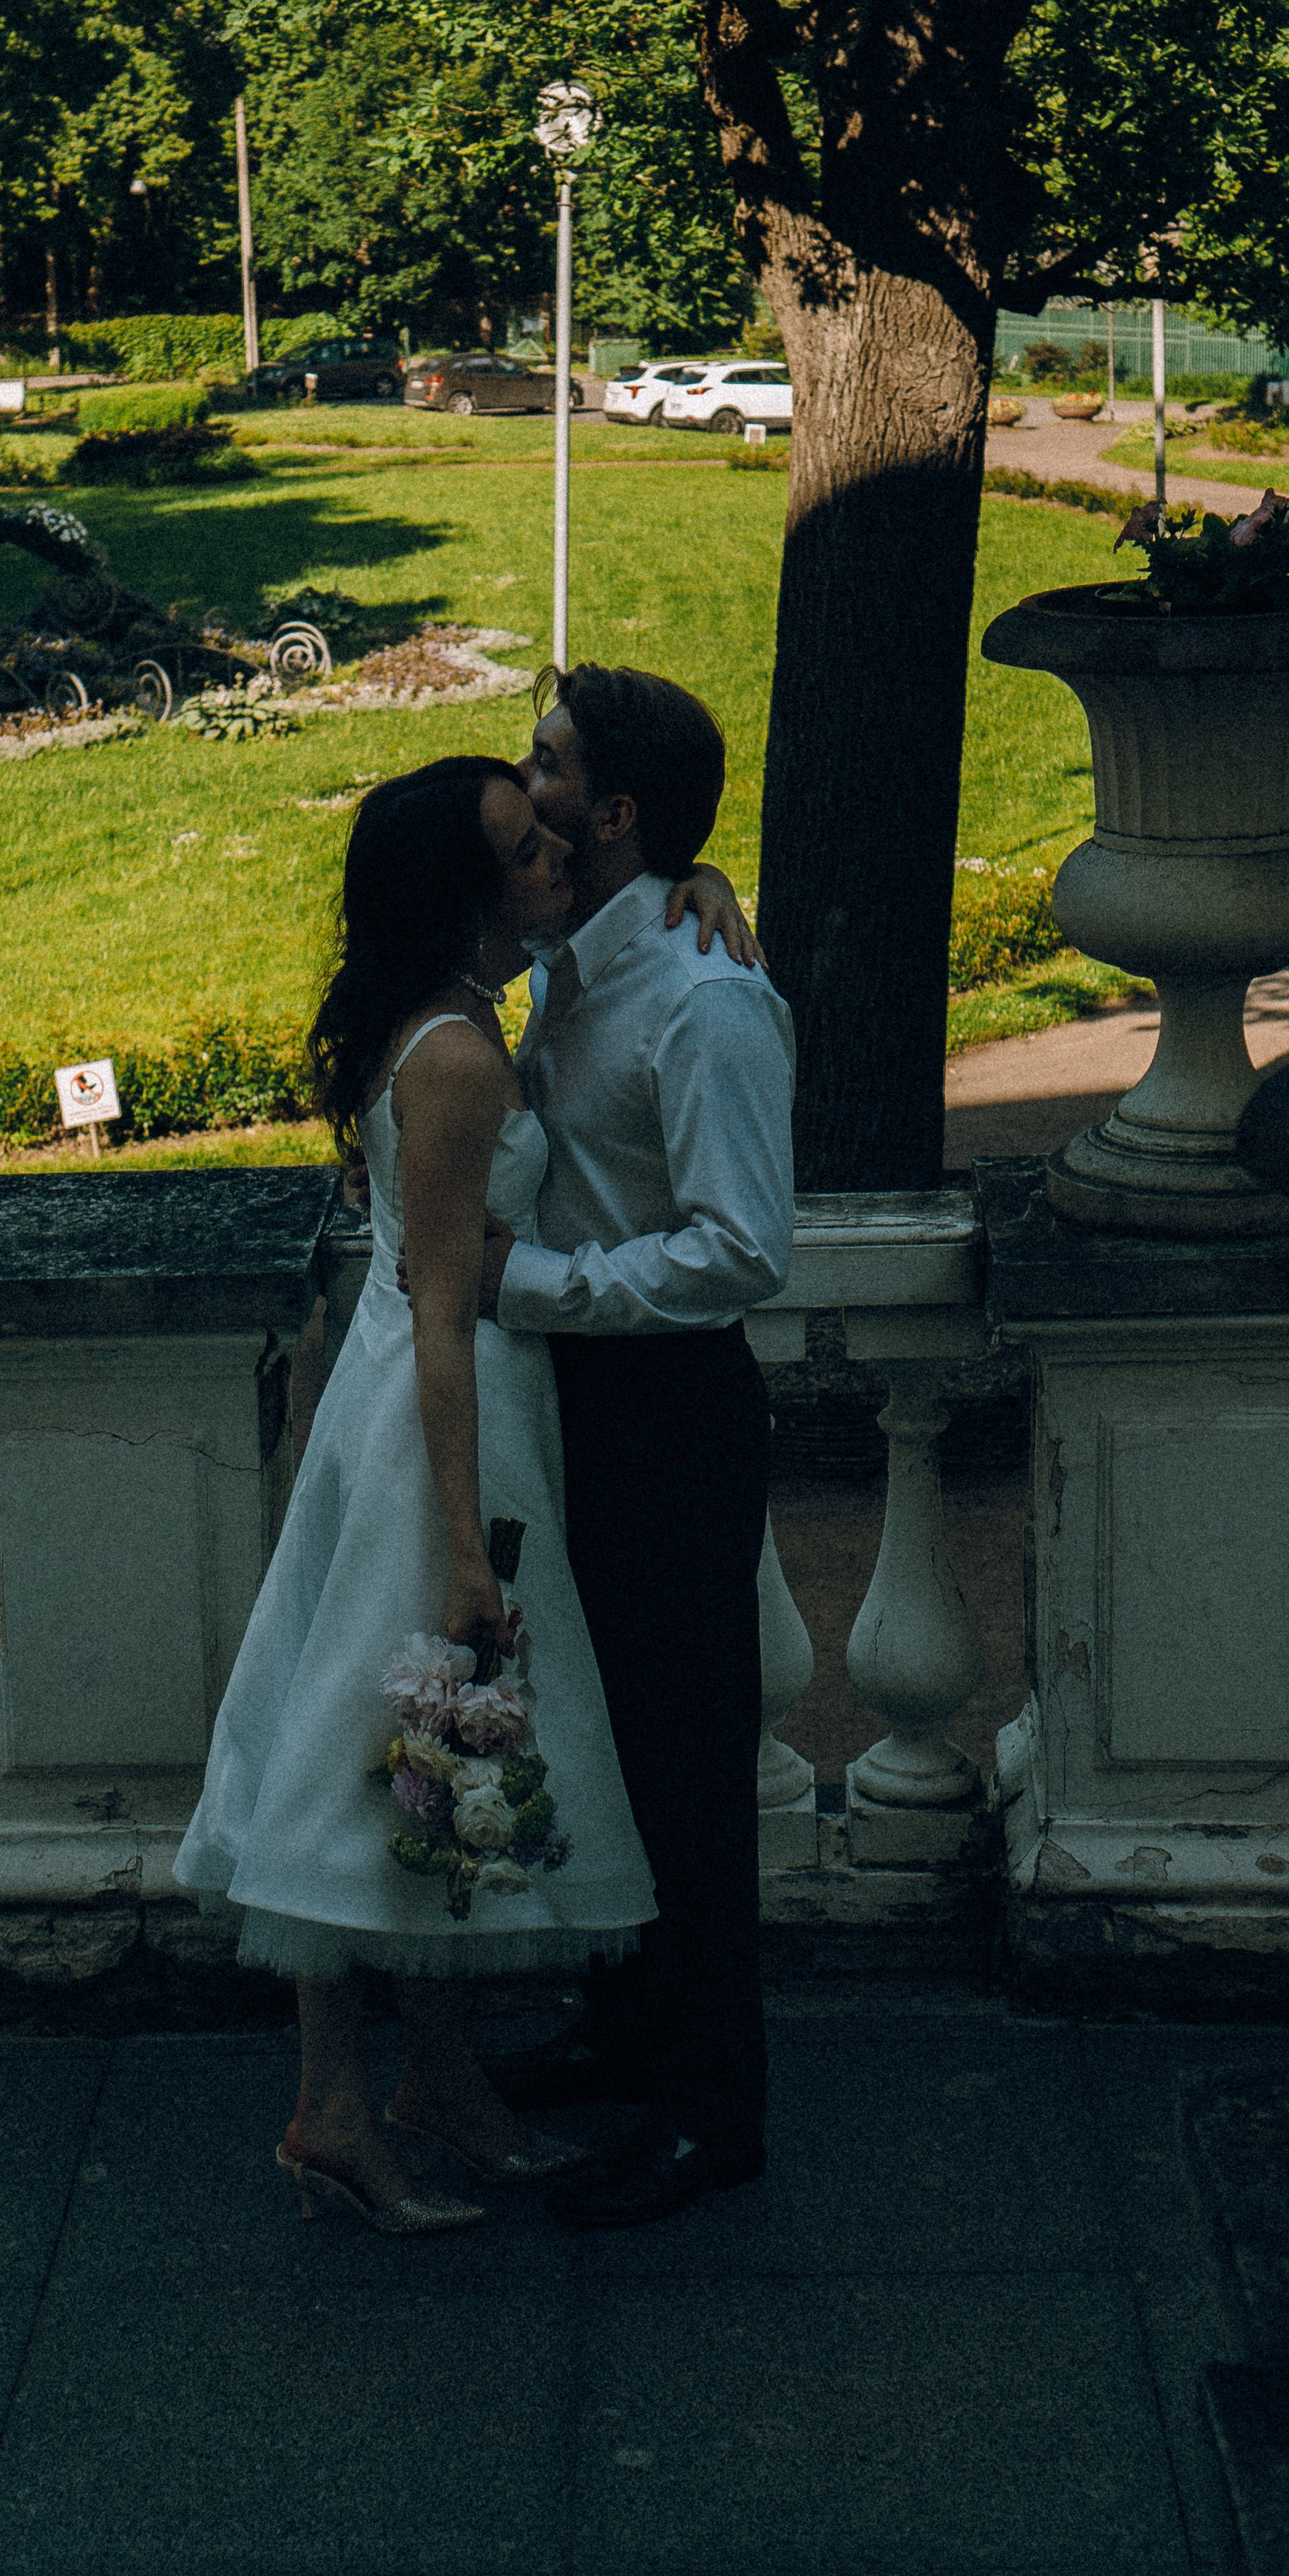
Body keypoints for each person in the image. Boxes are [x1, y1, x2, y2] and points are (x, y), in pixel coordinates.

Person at [173, 755, 658, 2235]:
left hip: (406, 1412)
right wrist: (463, 1546)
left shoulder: (437, 1017)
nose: (551, 870)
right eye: (521, 858)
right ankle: (333, 2107)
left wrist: (687, 887)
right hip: (443, 1427)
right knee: (382, 1751)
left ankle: (432, 2082)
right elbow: (445, 1310)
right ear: (456, 898)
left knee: (418, 1757)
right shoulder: (454, 1059)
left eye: (545, 845)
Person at [482, 662, 795, 2229]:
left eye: (544, 762)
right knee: (593, 1739)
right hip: (574, 1403)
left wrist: (526, 1287)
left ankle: (708, 2111)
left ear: (608, 812)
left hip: (665, 1414)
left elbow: (743, 1250)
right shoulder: (588, 958)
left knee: (682, 1768)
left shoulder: (704, 998)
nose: (515, 775)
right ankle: (623, 2031)